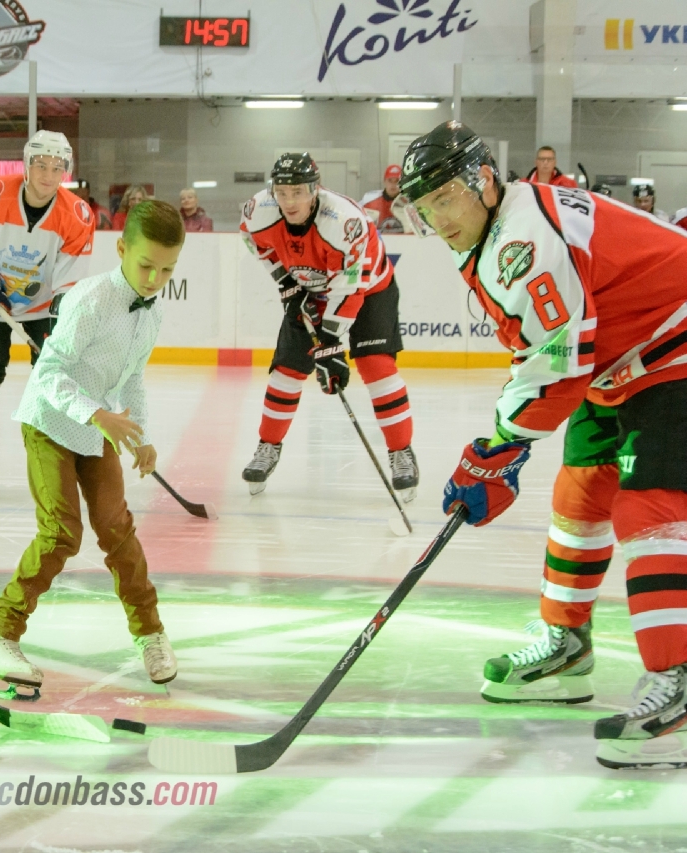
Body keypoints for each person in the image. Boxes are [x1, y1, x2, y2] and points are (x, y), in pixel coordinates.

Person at [399, 120, 687, 770]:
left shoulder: (524, 239)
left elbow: (556, 366)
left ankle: (679, 682)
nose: (437, 219)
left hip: (675, 346)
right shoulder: (492, 231)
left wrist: (499, 444)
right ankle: (567, 644)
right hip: (619, 361)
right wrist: (503, 442)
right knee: (580, 493)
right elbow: (543, 350)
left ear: (482, 179)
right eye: (424, 208)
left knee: (649, 506)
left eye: (445, 198)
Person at [0, 199, 183, 697]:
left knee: (117, 530)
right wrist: (97, 414)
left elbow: (133, 380)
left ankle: (151, 633)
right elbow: (48, 374)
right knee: (62, 531)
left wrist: (142, 437)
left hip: (95, 430)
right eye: (146, 266)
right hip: (49, 423)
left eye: (167, 270)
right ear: (121, 249)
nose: (155, 279)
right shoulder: (92, 300)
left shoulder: (151, 314)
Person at [239, 153, 418, 499]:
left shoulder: (345, 222)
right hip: (309, 289)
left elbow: (351, 289)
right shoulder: (258, 211)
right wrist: (286, 282)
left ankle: (401, 452)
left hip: (370, 289)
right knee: (288, 369)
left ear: (315, 189)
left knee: (376, 366)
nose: (289, 201)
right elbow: (255, 242)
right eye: (282, 192)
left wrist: (330, 343)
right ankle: (267, 447)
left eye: (298, 192)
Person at [0, 130, 94, 483]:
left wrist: (59, 325)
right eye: (41, 165)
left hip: (42, 307)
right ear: (27, 164)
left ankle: (54, 454)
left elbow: (70, 276)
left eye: (56, 167)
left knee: (52, 378)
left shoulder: (77, 215)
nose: (48, 175)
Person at [360, 165, 405, 234]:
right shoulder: (370, 204)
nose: (393, 184)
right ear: (384, 181)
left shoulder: (409, 205)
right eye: (390, 180)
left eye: (397, 181)